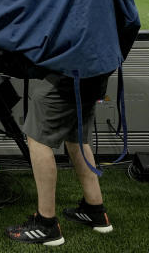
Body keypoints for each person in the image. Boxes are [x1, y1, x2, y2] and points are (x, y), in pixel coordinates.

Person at [6, 71, 114, 246]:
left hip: (70, 73)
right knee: (76, 137)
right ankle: (95, 210)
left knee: (38, 138)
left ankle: (46, 224)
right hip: (96, 73)